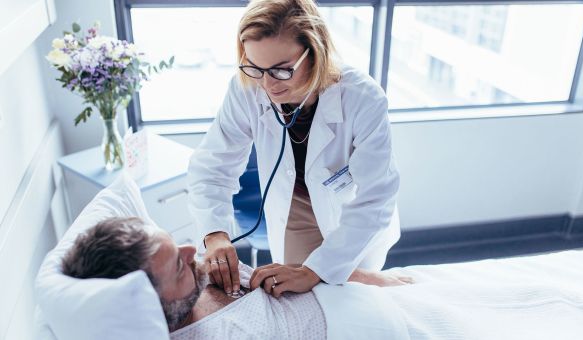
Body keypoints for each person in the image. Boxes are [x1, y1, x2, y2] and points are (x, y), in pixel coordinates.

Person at [188, 0, 400, 298]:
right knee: (296, 295)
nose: (267, 84)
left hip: (348, 212)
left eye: (281, 70)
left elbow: (375, 198)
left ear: (315, 53)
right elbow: (212, 168)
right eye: (255, 67)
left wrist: (315, 270)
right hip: (293, 203)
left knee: (349, 291)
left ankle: (383, 282)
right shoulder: (247, 87)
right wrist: (215, 234)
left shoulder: (362, 98)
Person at [62, 217, 412, 336]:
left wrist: (377, 281)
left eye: (177, 244)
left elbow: (308, 279)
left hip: (386, 298)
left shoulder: (207, 275)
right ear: (152, 303)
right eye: (178, 265)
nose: (191, 250)